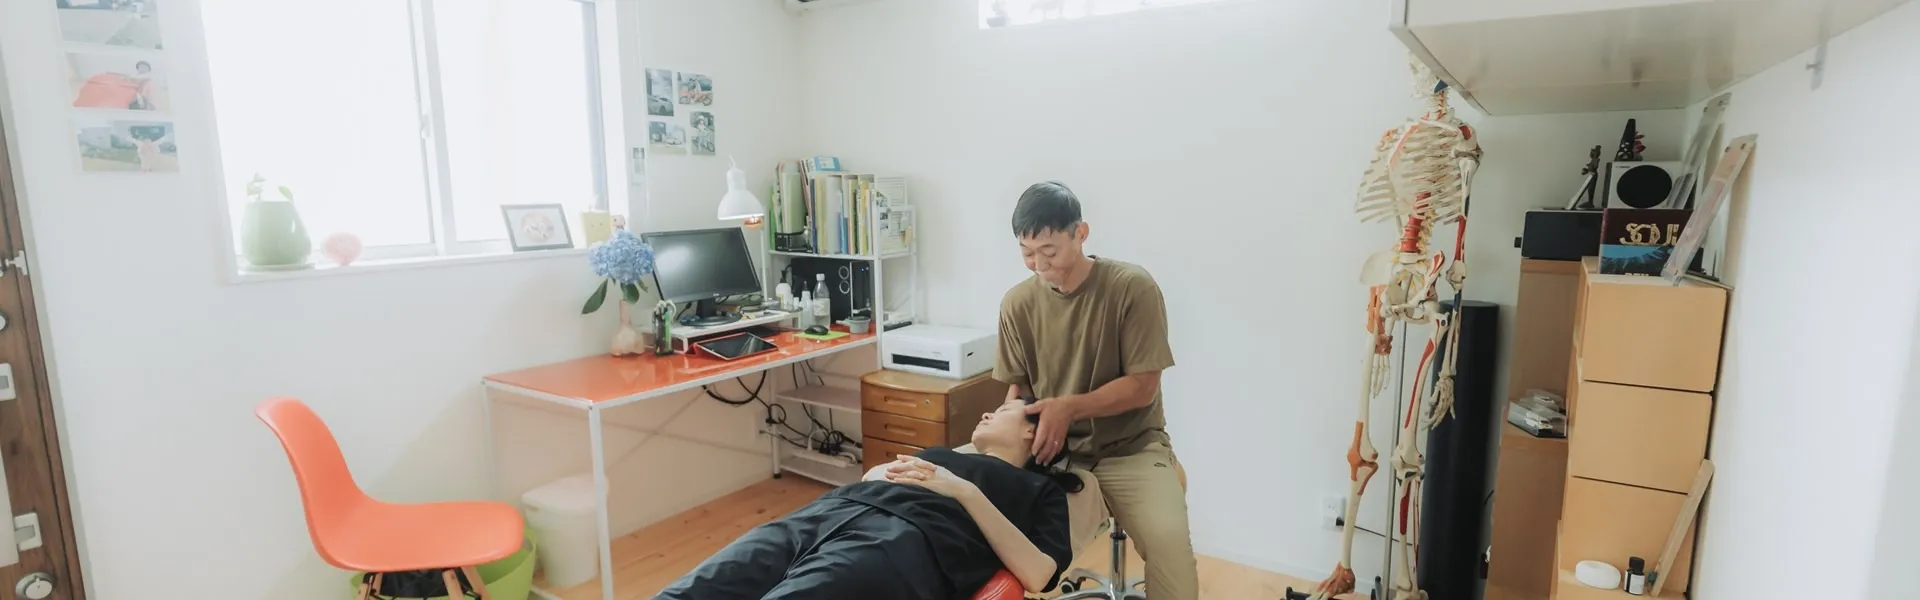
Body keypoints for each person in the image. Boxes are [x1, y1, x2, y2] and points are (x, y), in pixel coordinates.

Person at [652, 397, 1080, 600]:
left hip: (903, 541)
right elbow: (876, 474)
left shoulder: (1037, 489)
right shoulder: (942, 454)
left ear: (1033, 430)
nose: (986, 411)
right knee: (691, 591)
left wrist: (962, 490)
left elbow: (1041, 574)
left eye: (1003, 411)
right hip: (828, 512)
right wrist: (878, 474)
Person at [997, 180, 1197, 599]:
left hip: (1130, 449)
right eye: (1027, 253)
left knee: (1171, 553)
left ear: (1080, 233)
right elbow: (1020, 391)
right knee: (998, 539)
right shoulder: (1017, 304)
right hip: (1056, 456)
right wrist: (1004, 442)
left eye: (1049, 251)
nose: (1038, 265)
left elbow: (1143, 388)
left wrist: (1067, 407)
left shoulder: (1131, 288)